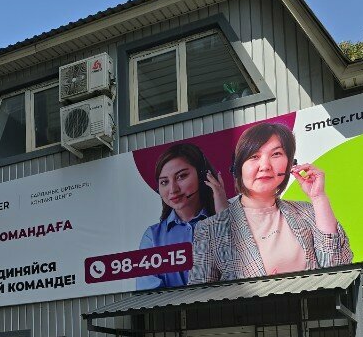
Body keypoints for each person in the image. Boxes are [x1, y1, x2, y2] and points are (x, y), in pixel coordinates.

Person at [190, 122, 352, 284]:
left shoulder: (308, 212)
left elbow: (338, 268)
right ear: (238, 167)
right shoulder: (209, 229)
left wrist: (318, 197)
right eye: (254, 156)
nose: (265, 166)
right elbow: (199, 292)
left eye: (276, 154)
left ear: (290, 164)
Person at [136, 143, 228, 290]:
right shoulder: (152, 238)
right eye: (164, 182)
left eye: (181, 176)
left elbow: (240, 273)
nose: (173, 189)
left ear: (202, 176)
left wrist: (223, 215)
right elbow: (150, 297)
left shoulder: (230, 220)